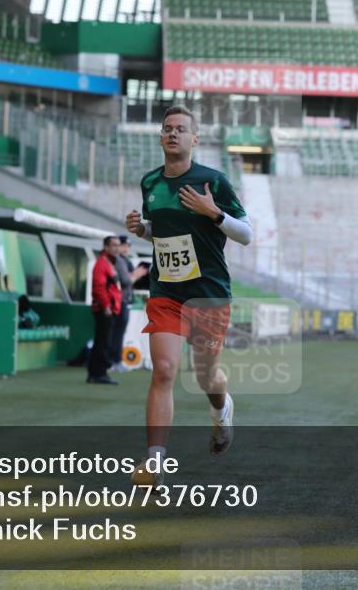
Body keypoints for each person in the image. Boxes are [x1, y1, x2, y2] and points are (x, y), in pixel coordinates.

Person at [125, 105, 252, 485]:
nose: (173, 133)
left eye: (181, 129)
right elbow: (164, 234)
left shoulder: (213, 181)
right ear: (160, 136)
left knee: (205, 378)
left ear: (195, 139)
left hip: (208, 294)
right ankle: (156, 463)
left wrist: (214, 213)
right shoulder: (150, 182)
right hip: (166, 292)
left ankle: (222, 409)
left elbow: (246, 234)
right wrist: (143, 230)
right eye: (167, 128)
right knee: (164, 369)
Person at [110, 236, 149, 372]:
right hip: (116, 302)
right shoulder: (117, 260)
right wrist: (136, 275)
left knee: (119, 333)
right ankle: (112, 361)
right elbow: (125, 282)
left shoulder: (125, 261)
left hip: (124, 301)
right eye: (124, 245)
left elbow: (130, 283)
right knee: (114, 333)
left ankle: (116, 360)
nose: (126, 248)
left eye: (128, 246)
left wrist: (136, 275)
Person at [88, 236, 122, 385]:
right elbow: (98, 288)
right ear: (106, 247)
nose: (117, 248)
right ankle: (99, 374)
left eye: (118, 245)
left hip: (109, 308)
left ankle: (95, 373)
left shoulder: (109, 263)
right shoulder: (102, 263)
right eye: (113, 245)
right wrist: (106, 306)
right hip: (104, 309)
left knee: (102, 342)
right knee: (103, 342)